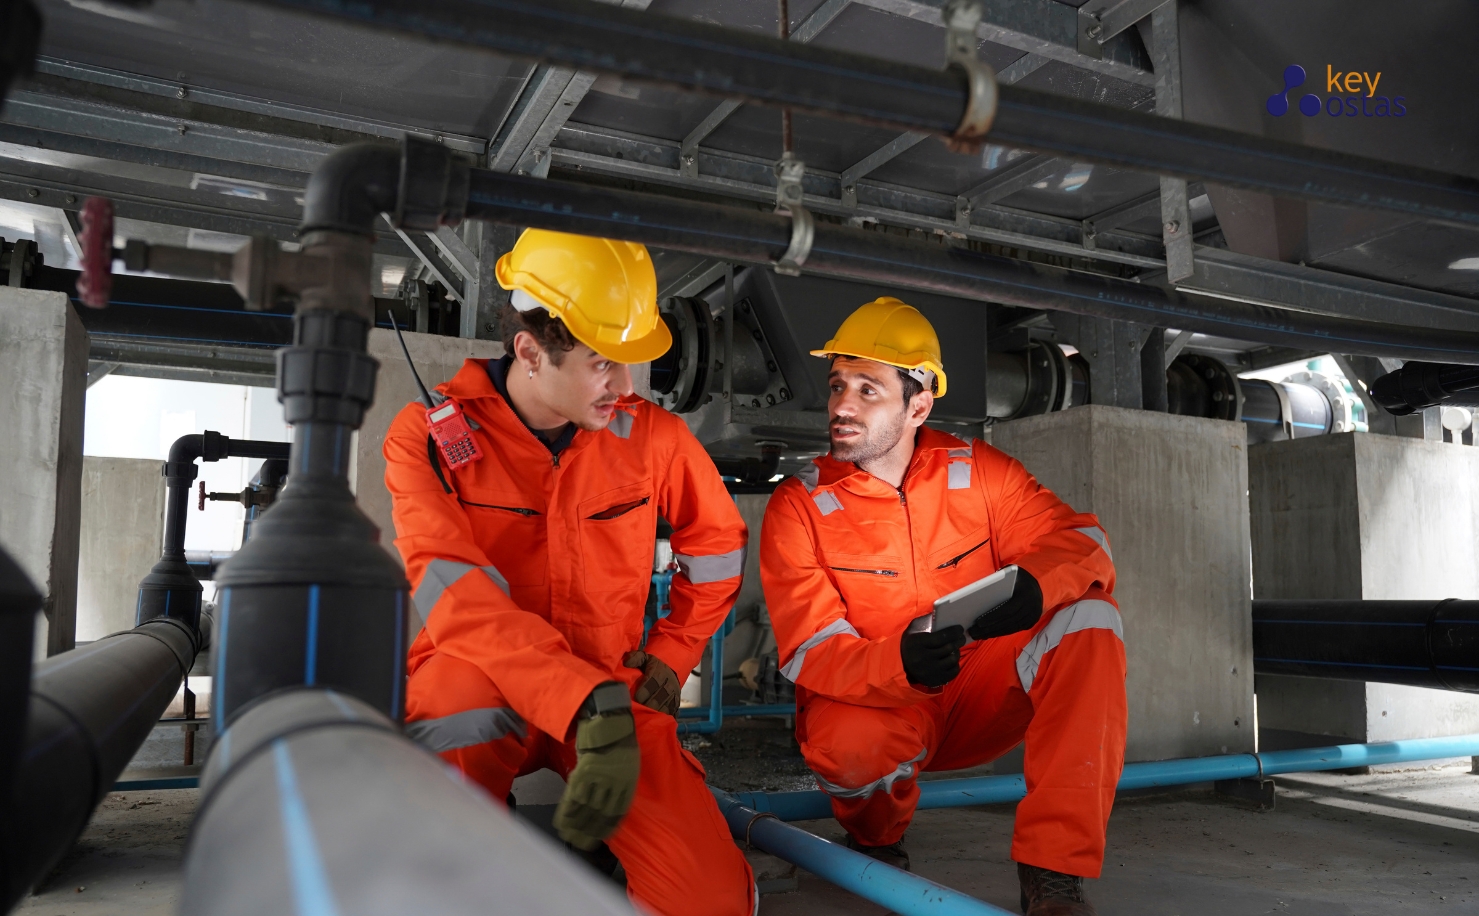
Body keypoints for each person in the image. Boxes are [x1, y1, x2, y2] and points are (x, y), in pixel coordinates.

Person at [384, 228, 755, 916]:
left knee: (709, 901)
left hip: (614, 686)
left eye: (631, 364)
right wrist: (576, 700)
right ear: (529, 351)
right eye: (600, 363)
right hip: (481, 678)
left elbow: (718, 547)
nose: (624, 385)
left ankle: (603, 841)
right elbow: (451, 588)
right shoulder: (428, 437)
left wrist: (672, 657)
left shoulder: (654, 439)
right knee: (454, 704)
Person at [759, 297, 1126, 916]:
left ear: (918, 405)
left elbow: (1083, 542)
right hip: (883, 699)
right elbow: (810, 648)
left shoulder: (981, 474)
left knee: (1091, 619)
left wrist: (1035, 584)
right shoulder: (799, 507)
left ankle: (1052, 873)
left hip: (982, 690)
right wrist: (899, 662)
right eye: (838, 385)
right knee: (847, 744)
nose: (842, 406)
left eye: (868, 390)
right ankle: (878, 838)